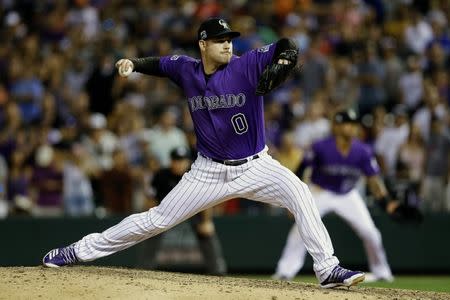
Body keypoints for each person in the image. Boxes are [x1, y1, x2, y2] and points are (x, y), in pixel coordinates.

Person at [42, 17, 365, 288]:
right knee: (155, 220)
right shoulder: (187, 70)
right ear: (202, 45)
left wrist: (283, 62)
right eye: (219, 40)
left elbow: (287, 44)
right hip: (207, 171)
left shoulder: (247, 65)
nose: (227, 45)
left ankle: (327, 269)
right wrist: (134, 65)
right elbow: (160, 64)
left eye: (229, 40)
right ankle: (77, 251)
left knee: (300, 192)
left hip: (256, 164)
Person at [273, 109, 395, 283]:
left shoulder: (362, 150)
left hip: (347, 194)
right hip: (321, 191)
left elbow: (373, 180)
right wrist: (292, 200)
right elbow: (300, 171)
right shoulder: (320, 146)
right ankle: (285, 271)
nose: (350, 127)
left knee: (370, 232)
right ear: (336, 127)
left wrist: (386, 202)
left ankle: (382, 271)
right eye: (345, 123)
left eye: (352, 123)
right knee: (300, 230)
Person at [140, 146, 227, 275]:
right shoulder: (161, 175)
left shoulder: (196, 175)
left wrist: (207, 221)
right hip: (166, 211)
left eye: (182, 160)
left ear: (188, 161)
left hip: (192, 211)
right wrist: (149, 219)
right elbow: (151, 199)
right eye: (176, 160)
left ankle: (218, 271)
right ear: (171, 161)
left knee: (207, 232)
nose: (179, 163)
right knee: (151, 231)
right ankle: (143, 270)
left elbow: (206, 200)